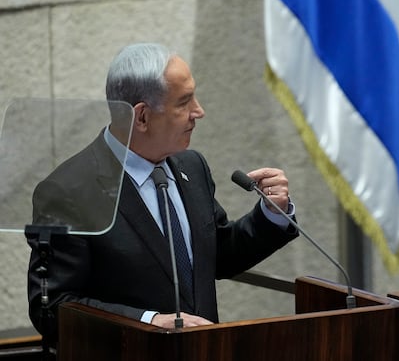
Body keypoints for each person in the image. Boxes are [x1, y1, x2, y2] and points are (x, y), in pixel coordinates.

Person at [27, 43, 299, 339]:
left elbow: (215, 255)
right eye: (184, 102)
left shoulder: (191, 166)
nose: (199, 111)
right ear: (142, 117)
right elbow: (53, 307)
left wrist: (271, 216)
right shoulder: (68, 192)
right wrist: (148, 322)